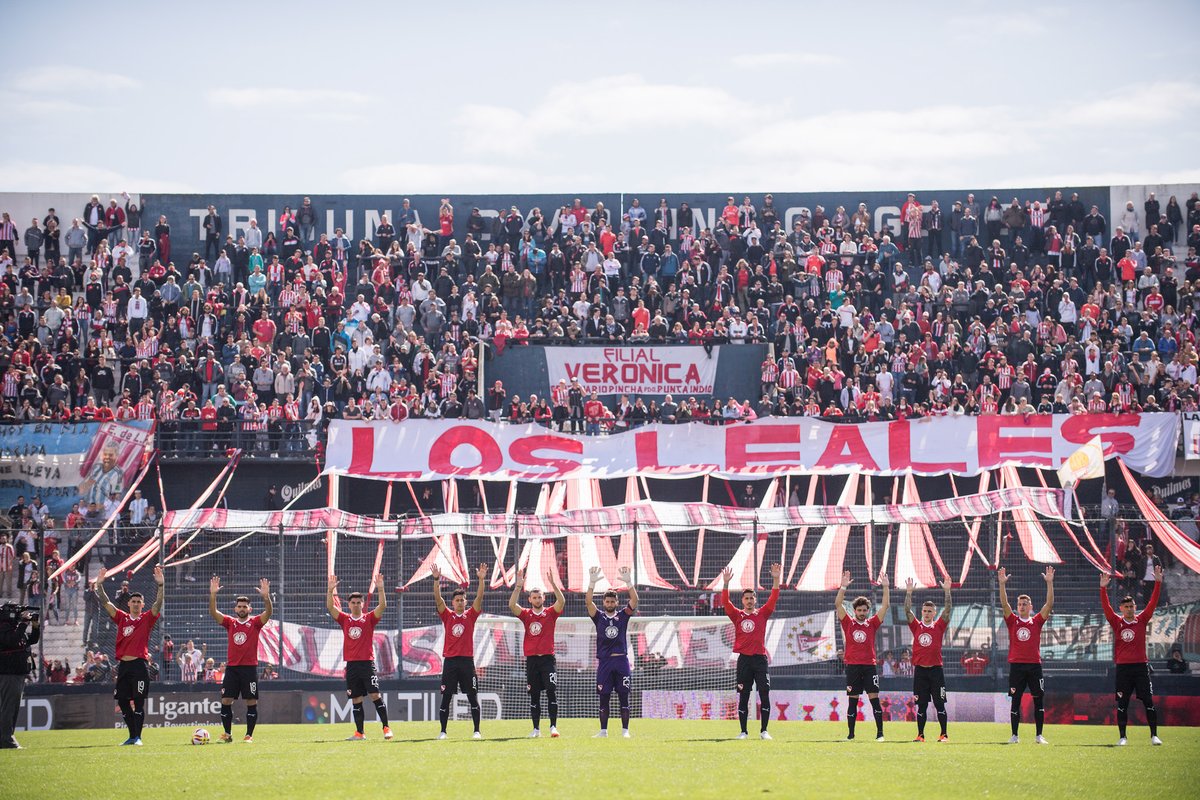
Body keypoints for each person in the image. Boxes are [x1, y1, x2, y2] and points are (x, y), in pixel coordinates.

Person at [93, 565, 164, 745]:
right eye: (133, 601)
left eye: (138, 602)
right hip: (123, 666)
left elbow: (157, 605)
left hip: (139, 666)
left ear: (142, 605)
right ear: (129, 603)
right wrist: (99, 585)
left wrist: (161, 586)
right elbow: (106, 603)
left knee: (138, 703)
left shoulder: (147, 618)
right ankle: (132, 736)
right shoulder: (122, 618)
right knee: (123, 702)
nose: (135, 604)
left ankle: (138, 737)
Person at [1100, 565, 1163, 746]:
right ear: (1121, 608)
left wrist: (1158, 582)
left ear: (1135, 607)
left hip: (1141, 667)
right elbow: (1106, 608)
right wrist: (1103, 588)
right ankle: (1123, 737)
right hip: (1123, 669)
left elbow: (1152, 603)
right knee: (1122, 703)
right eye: (1126, 606)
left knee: (1149, 701)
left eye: (1131, 606)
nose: (1129, 609)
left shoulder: (1142, 619)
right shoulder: (1116, 622)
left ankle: (1154, 736)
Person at [326, 572, 391, 741]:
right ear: (348, 604)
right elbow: (331, 608)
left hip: (367, 664)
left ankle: (386, 728)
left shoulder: (369, 619)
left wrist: (381, 589)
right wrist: (330, 591)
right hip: (352, 666)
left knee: (375, 695)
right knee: (355, 699)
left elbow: (382, 606)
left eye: (358, 602)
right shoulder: (345, 619)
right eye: (353, 602)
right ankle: (359, 733)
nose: (355, 605)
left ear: (363, 604)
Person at [721, 562, 782, 740]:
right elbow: (725, 601)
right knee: (743, 695)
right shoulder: (737, 615)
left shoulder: (762, 613)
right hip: (744, 661)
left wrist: (776, 579)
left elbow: (774, 597)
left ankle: (764, 731)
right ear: (743, 601)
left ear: (755, 600)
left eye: (751, 598)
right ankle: (743, 731)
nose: (749, 601)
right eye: (746, 598)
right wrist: (725, 584)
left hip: (760, 660)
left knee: (764, 694)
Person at [208, 575, 273, 743]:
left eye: (245, 606)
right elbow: (214, 613)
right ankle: (227, 734)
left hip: (249, 668)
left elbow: (269, 613)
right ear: (235, 609)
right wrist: (213, 594)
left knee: (251, 701)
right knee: (226, 700)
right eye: (239, 606)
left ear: (250, 609)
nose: (242, 608)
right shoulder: (230, 622)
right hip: (232, 669)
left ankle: (248, 735)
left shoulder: (255, 623)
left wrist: (266, 598)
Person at [998, 566, 1054, 744]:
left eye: (1024, 604)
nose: (1021, 606)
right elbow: (1004, 604)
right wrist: (1002, 585)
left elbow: (1049, 605)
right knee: (1015, 701)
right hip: (1016, 666)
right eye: (1019, 604)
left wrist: (1050, 583)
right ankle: (1014, 735)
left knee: (1038, 701)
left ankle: (1039, 736)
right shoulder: (1012, 620)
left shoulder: (1036, 621)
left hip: (1034, 666)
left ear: (1030, 607)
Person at [431, 562, 487, 740]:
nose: (460, 602)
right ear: (453, 603)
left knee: (472, 696)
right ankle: (443, 731)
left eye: (462, 600)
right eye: (457, 600)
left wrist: (481, 581)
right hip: (450, 662)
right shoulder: (447, 615)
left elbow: (479, 598)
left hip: (467, 662)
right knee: (446, 697)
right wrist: (436, 580)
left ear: (465, 602)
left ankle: (477, 731)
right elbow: (438, 599)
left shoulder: (471, 615)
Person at [508, 566, 565, 738]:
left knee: (551, 692)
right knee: (534, 695)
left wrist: (554, 584)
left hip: (548, 660)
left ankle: (553, 727)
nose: (537, 599)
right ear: (530, 600)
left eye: (540, 596)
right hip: (532, 661)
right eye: (534, 597)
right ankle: (536, 729)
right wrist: (518, 586)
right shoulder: (526, 614)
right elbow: (511, 605)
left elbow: (561, 602)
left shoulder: (550, 613)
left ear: (543, 598)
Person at [834, 569, 890, 741]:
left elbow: (885, 606)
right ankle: (850, 735)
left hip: (869, 666)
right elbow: (838, 604)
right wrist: (843, 587)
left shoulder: (872, 623)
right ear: (855, 610)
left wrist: (886, 587)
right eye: (859, 610)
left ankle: (880, 734)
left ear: (868, 610)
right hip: (852, 667)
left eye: (865, 610)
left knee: (874, 699)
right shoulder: (848, 623)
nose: (862, 612)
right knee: (853, 701)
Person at [585, 565, 638, 738]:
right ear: (604, 603)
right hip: (605, 663)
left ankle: (625, 731)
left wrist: (629, 582)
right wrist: (591, 584)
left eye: (612, 601)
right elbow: (588, 602)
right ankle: (603, 731)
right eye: (607, 601)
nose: (609, 604)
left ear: (616, 603)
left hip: (621, 661)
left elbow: (634, 601)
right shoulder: (598, 617)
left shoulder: (622, 616)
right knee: (604, 697)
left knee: (624, 697)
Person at [904, 576, 952, 742]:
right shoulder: (916, 626)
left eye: (930, 611)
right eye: (924, 611)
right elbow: (907, 611)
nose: (926, 613)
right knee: (921, 705)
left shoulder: (939, 625)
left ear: (934, 613)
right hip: (920, 671)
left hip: (936, 671)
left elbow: (948, 610)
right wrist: (909, 593)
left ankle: (944, 734)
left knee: (939, 704)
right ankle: (920, 735)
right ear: (922, 612)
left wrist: (947, 591)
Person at [0, 603, 40, 748]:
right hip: (8, 673)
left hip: (16, 673)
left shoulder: (14, 628)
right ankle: (6, 739)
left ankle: (6, 738)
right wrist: (23, 623)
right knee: (8, 707)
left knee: (12, 707)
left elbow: (31, 640)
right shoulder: (4, 627)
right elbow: (12, 640)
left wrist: (35, 625)